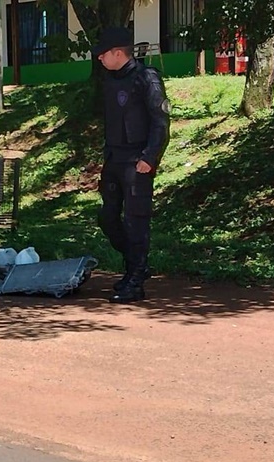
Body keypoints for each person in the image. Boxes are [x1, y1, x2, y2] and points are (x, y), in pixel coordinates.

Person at [92, 27, 171, 303]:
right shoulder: (110, 80)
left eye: (103, 54)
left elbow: (161, 122)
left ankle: (135, 282)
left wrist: (150, 158)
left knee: (136, 223)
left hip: (137, 162)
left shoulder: (146, 78)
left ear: (117, 53)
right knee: (108, 217)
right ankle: (136, 266)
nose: (99, 59)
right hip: (114, 160)